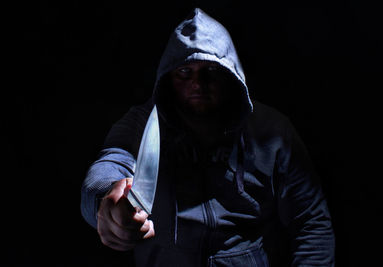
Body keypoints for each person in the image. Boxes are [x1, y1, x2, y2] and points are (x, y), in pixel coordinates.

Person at [81, 8, 335, 266]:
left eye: (210, 71)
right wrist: (106, 203)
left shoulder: (271, 132)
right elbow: (109, 166)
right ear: (169, 76)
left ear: (229, 73)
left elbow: (311, 223)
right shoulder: (143, 125)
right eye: (185, 72)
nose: (198, 84)